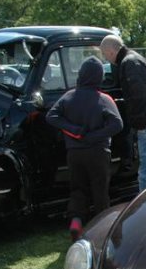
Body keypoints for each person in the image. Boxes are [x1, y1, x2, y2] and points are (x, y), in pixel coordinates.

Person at [46, 56, 123, 240]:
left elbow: (51, 116)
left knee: (78, 189)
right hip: (98, 152)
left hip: (74, 153)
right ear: (99, 77)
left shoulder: (68, 96)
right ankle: (101, 232)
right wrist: (94, 136)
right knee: (100, 191)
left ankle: (76, 222)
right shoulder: (104, 98)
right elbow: (117, 124)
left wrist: (75, 131)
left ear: (80, 75)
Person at [99, 35, 146, 191]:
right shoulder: (135, 59)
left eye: (104, 54)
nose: (105, 58)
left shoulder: (129, 63)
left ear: (111, 51)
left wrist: (139, 124)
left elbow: (139, 96)